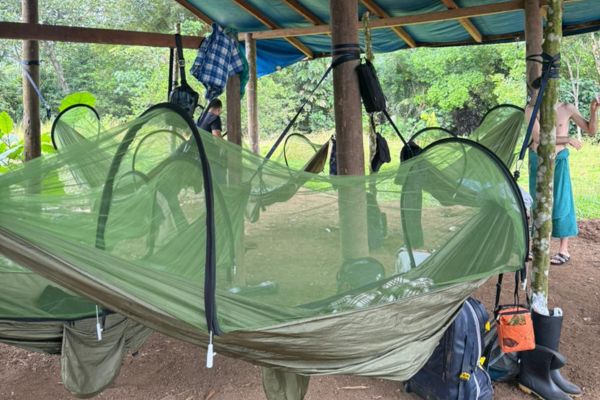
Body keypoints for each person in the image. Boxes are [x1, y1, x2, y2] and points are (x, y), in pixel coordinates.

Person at [526, 99, 597, 265]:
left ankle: (563, 250)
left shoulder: (567, 108)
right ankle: (536, 246)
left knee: (562, 200)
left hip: (559, 159)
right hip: (538, 159)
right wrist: (567, 139)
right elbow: (538, 137)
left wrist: (593, 111)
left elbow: (591, 131)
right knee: (537, 201)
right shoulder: (531, 109)